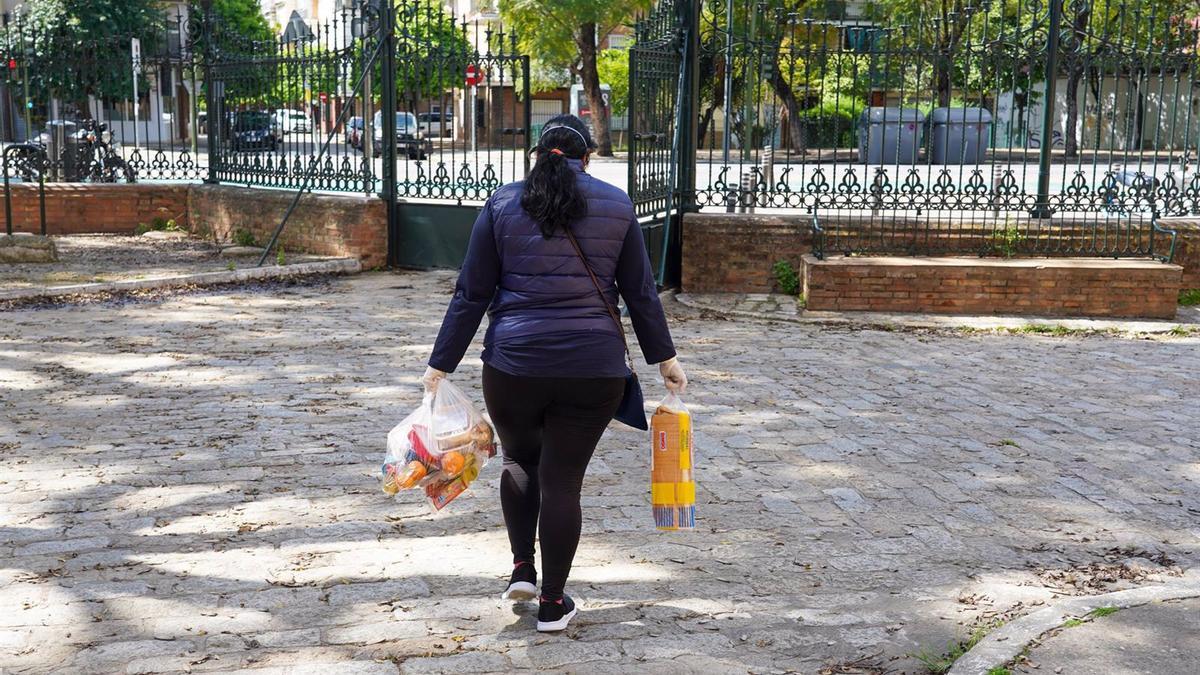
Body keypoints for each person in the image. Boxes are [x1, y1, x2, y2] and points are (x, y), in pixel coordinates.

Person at [422, 114, 686, 632]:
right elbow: (640, 292)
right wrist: (665, 360)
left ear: (537, 154)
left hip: (514, 364)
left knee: (519, 460)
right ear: (588, 157)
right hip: (593, 368)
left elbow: (472, 292)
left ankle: (522, 567)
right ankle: (552, 603)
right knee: (563, 481)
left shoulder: (502, 203)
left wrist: (440, 365)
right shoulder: (616, 204)